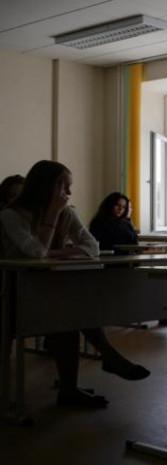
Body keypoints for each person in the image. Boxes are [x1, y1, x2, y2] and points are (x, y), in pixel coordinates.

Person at [0, 161, 149, 409]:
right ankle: (105, 359)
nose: (68, 193)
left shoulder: (66, 213)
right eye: (64, 186)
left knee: (70, 313)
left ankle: (77, 384)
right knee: (69, 313)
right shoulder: (11, 215)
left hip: (48, 293)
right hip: (13, 295)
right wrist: (52, 218)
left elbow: (93, 247)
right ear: (46, 186)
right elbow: (36, 253)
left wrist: (54, 252)